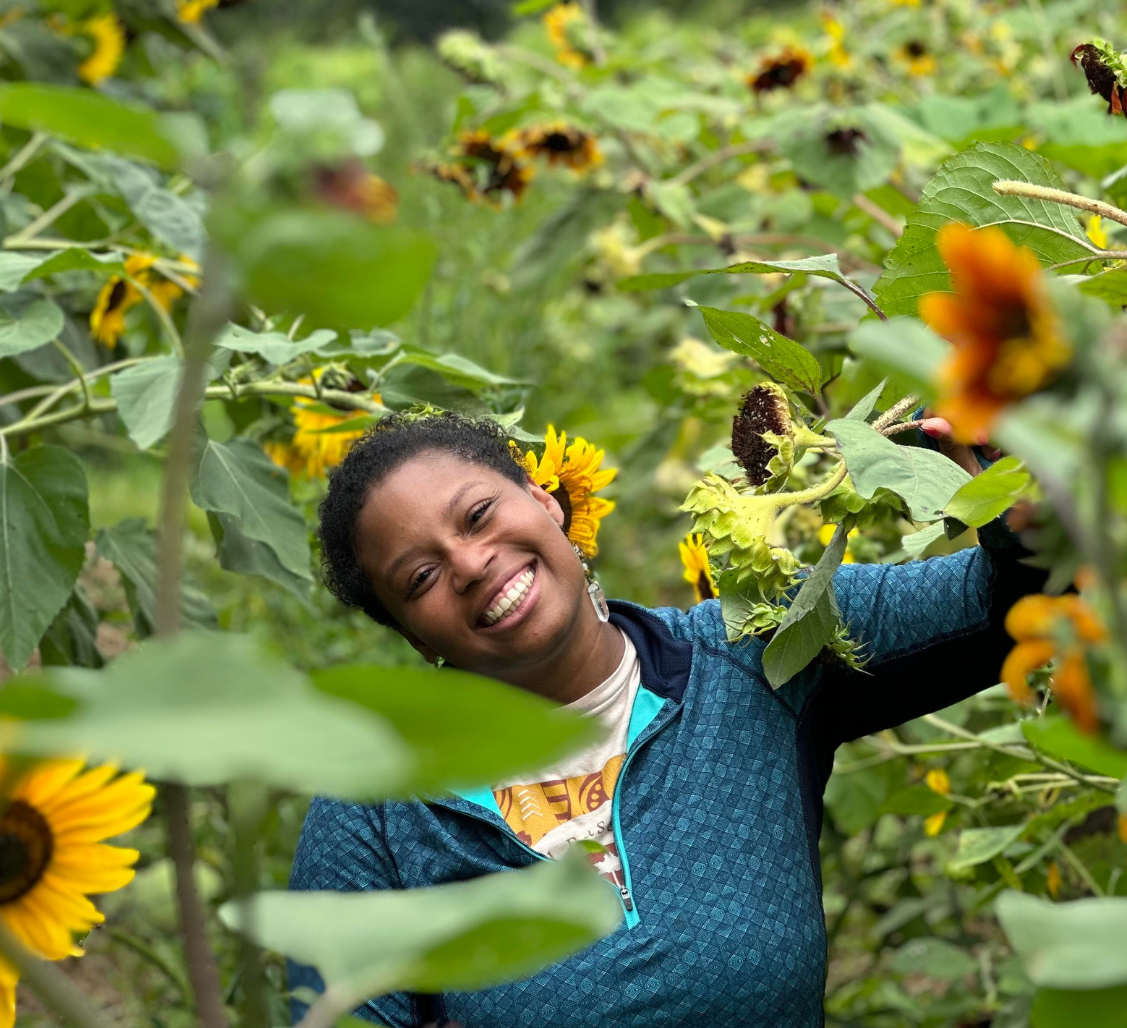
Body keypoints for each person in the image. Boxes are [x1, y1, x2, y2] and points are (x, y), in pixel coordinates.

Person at [287, 412, 1047, 1028]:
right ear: (415, 637)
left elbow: (1015, 604)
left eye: (479, 514)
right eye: (420, 577)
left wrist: (1022, 513)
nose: (470, 562)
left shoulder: (759, 651)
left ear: (545, 499)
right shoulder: (377, 808)